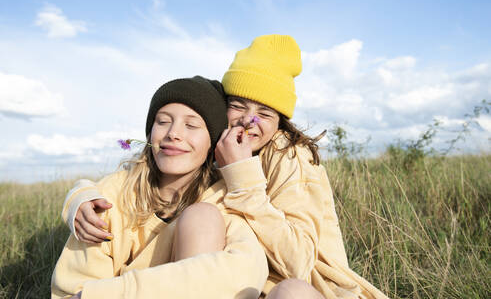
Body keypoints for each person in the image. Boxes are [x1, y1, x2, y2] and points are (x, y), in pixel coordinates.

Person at [60, 36, 389, 299]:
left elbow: (298, 265)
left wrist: (244, 179)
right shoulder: (209, 167)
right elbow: (129, 180)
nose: (249, 120)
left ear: (280, 122)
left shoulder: (289, 157)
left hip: (300, 285)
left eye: (265, 112)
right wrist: (79, 196)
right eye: (238, 105)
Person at [51, 76, 268, 299]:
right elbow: (73, 290)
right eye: (163, 121)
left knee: (203, 217)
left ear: (213, 144)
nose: (173, 133)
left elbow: (247, 271)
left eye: (191, 125)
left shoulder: (222, 200)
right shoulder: (109, 197)